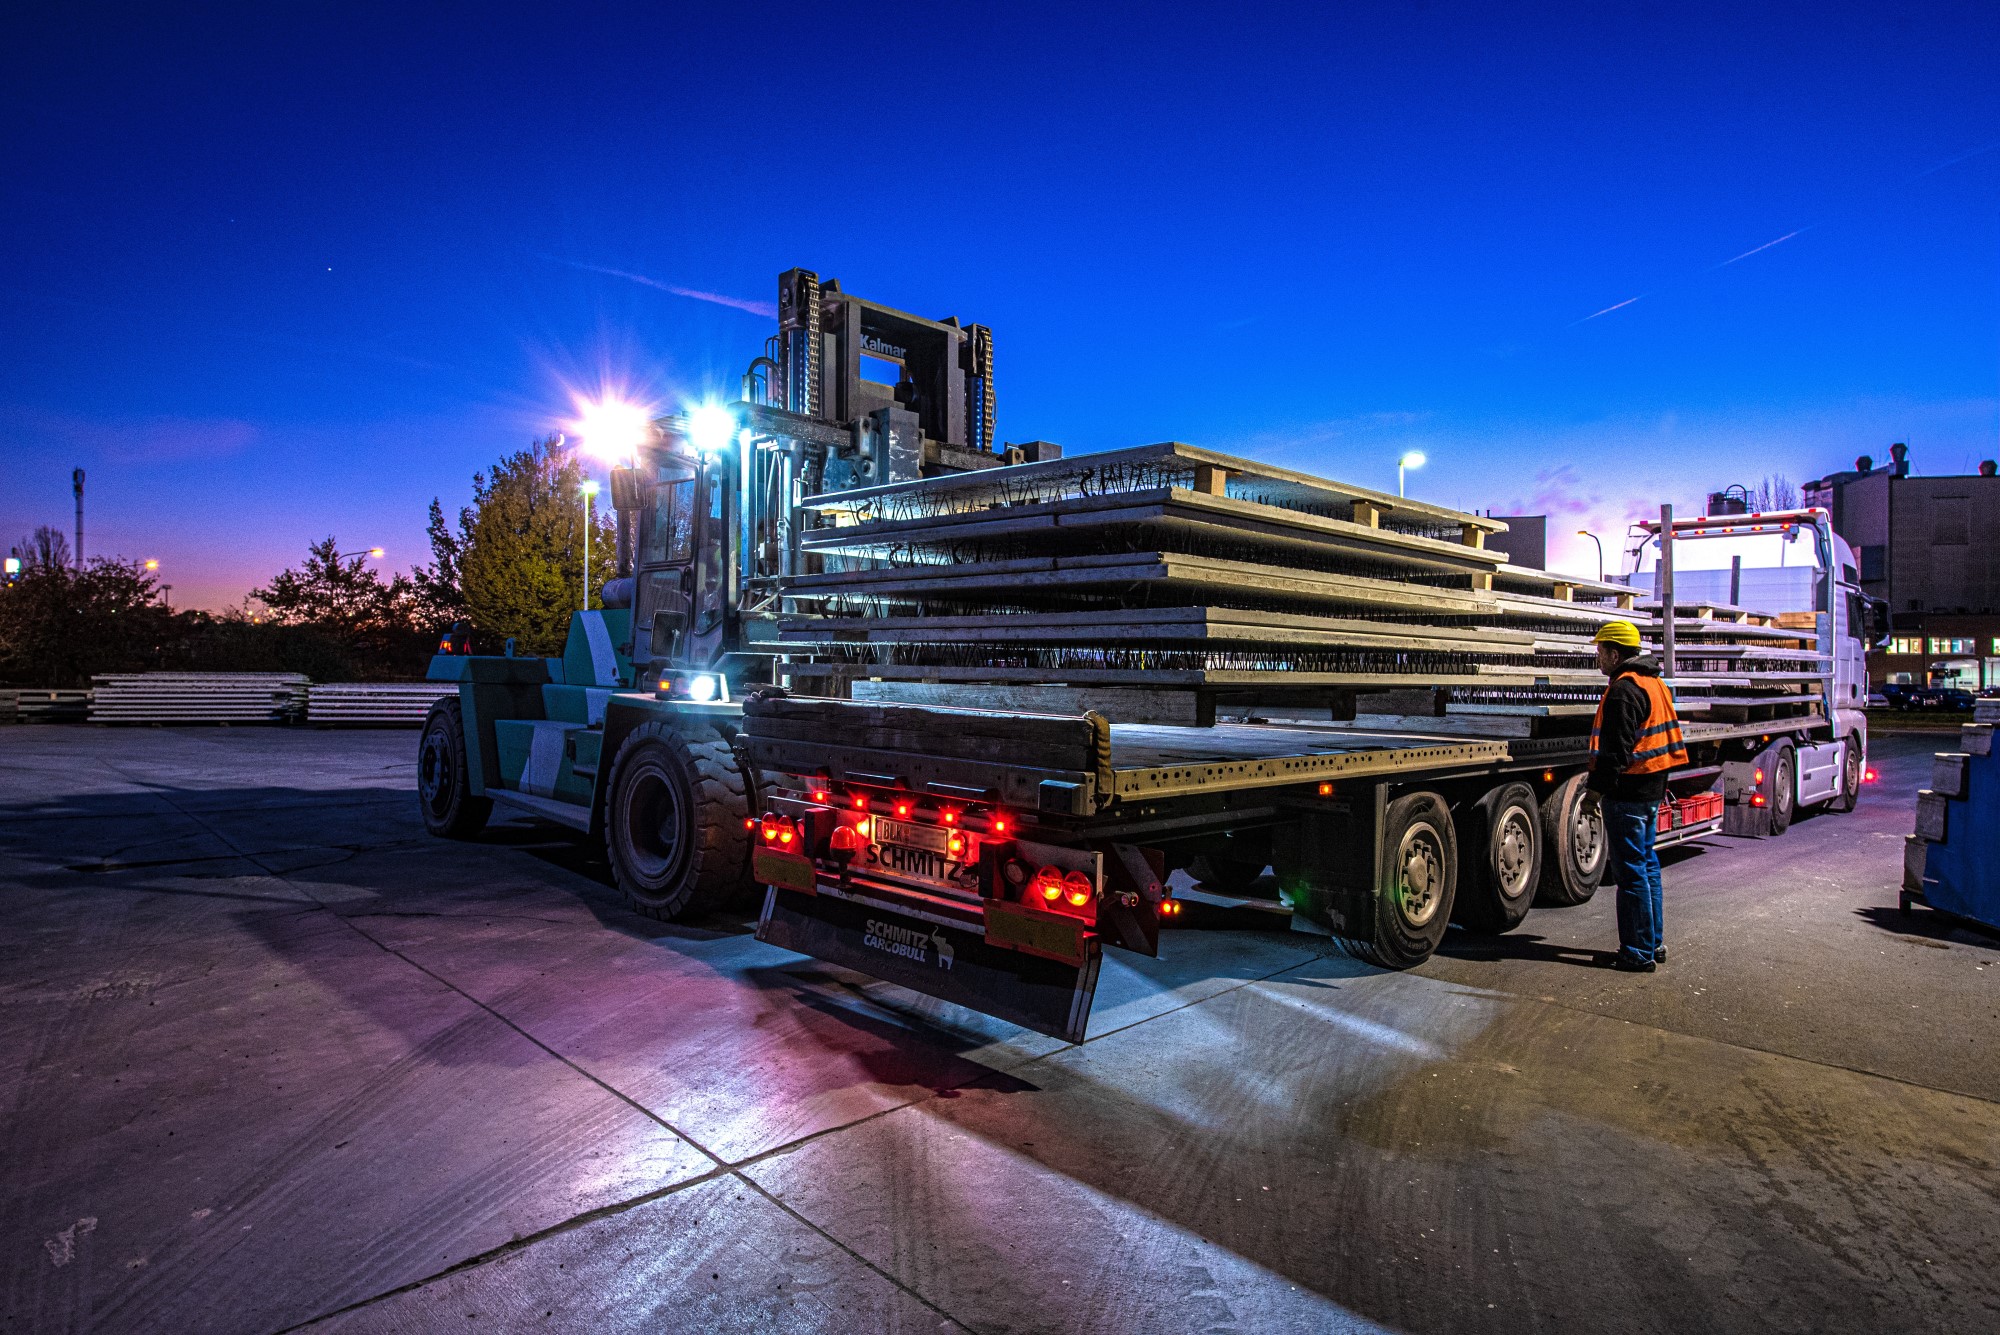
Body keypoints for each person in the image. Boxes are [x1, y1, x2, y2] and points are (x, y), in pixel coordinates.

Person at [1585, 619, 1686, 972]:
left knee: (1630, 873)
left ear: (1614, 654)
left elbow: (1616, 753)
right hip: (1651, 788)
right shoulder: (1653, 682)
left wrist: (1593, 793)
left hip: (1629, 791)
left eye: (1600, 651)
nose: (1597, 658)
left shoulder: (1624, 691)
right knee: (1646, 867)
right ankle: (1653, 944)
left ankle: (1638, 952)